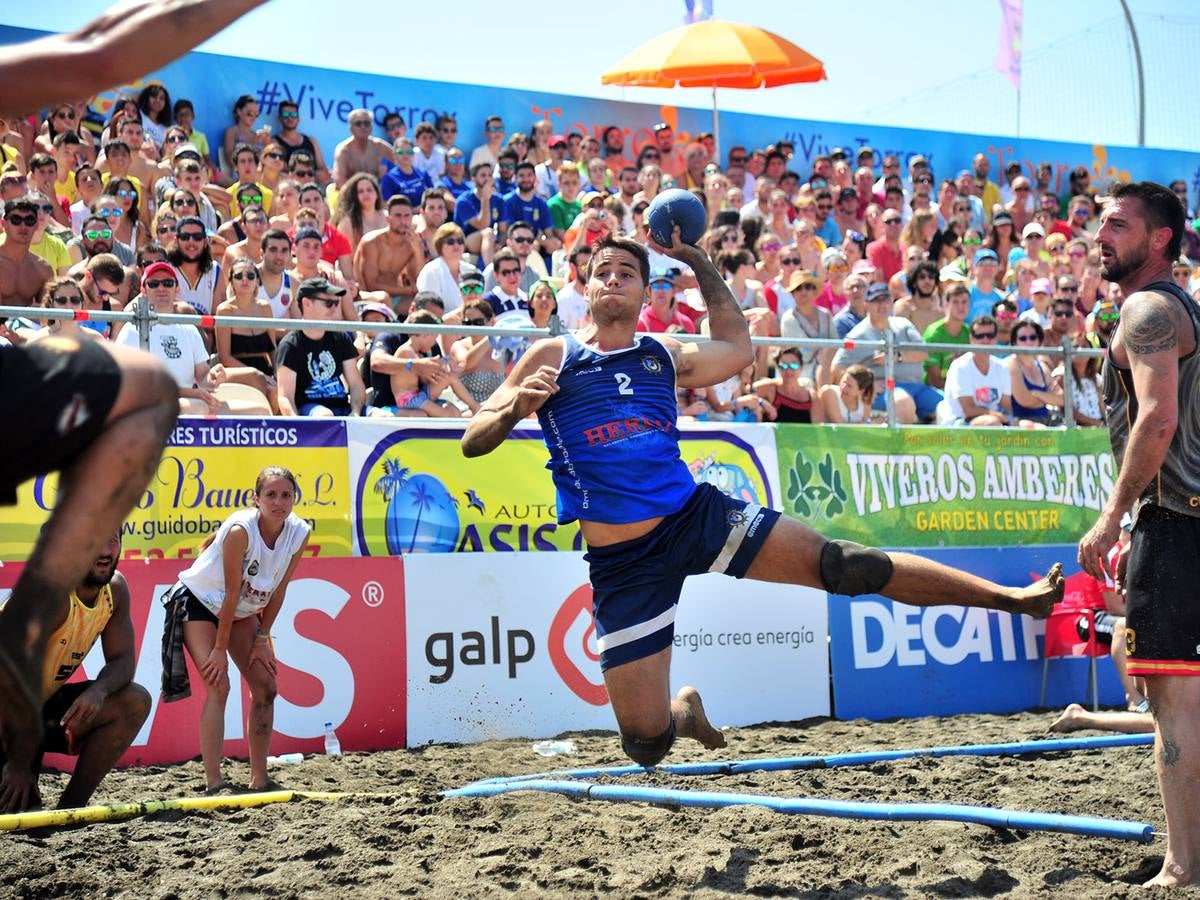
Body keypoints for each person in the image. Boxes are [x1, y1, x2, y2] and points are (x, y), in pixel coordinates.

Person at [460, 230, 1062, 769]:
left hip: (692, 518)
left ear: (645, 292)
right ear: (584, 287)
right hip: (622, 562)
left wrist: (699, 262)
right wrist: (512, 407)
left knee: (844, 565)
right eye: (602, 272)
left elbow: (738, 347)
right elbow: (472, 442)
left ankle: (1011, 599)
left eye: (626, 273)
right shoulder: (554, 357)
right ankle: (684, 714)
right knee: (645, 744)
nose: (612, 280)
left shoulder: (661, 354)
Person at [1077, 181, 1200, 888]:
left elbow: (1157, 421)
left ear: (1158, 240)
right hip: (1187, 512)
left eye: (1117, 224)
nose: (1102, 234)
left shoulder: (1150, 308)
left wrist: (1112, 516)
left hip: (1177, 520)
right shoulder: (1179, 308)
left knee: (1172, 704)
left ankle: (1184, 868)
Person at [164, 467, 309, 793]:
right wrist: (219, 649)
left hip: (240, 609)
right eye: (270, 494)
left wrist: (261, 639)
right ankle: (214, 782)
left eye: (286, 495)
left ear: (294, 499)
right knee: (219, 684)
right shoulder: (241, 530)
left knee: (266, 687)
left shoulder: (298, 532)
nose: (279, 502)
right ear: (255, 498)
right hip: (200, 602)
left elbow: (280, 589)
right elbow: (229, 593)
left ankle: (260, 779)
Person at [0, 532, 151, 813]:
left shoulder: (114, 590)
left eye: (113, 538)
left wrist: (98, 691)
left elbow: (123, 661)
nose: (106, 550)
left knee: (134, 701)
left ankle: (71, 811)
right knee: (20, 815)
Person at [275, 277, 365, 417]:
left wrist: (355, 413)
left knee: (383, 417)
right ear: (307, 303)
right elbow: (285, 397)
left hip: (343, 407)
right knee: (325, 416)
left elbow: (355, 385)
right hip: (311, 410)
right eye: (329, 303)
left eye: (336, 303)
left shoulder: (340, 337)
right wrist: (299, 427)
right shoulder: (291, 345)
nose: (335, 308)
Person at [936, 316, 1015, 427]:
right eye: (979, 336)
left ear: (996, 338)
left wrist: (1009, 420)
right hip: (959, 423)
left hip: (994, 420)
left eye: (990, 335)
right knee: (992, 423)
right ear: (971, 339)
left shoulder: (1002, 367)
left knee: (1028, 426)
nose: (985, 340)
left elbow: (1006, 406)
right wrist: (997, 416)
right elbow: (968, 410)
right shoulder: (960, 367)